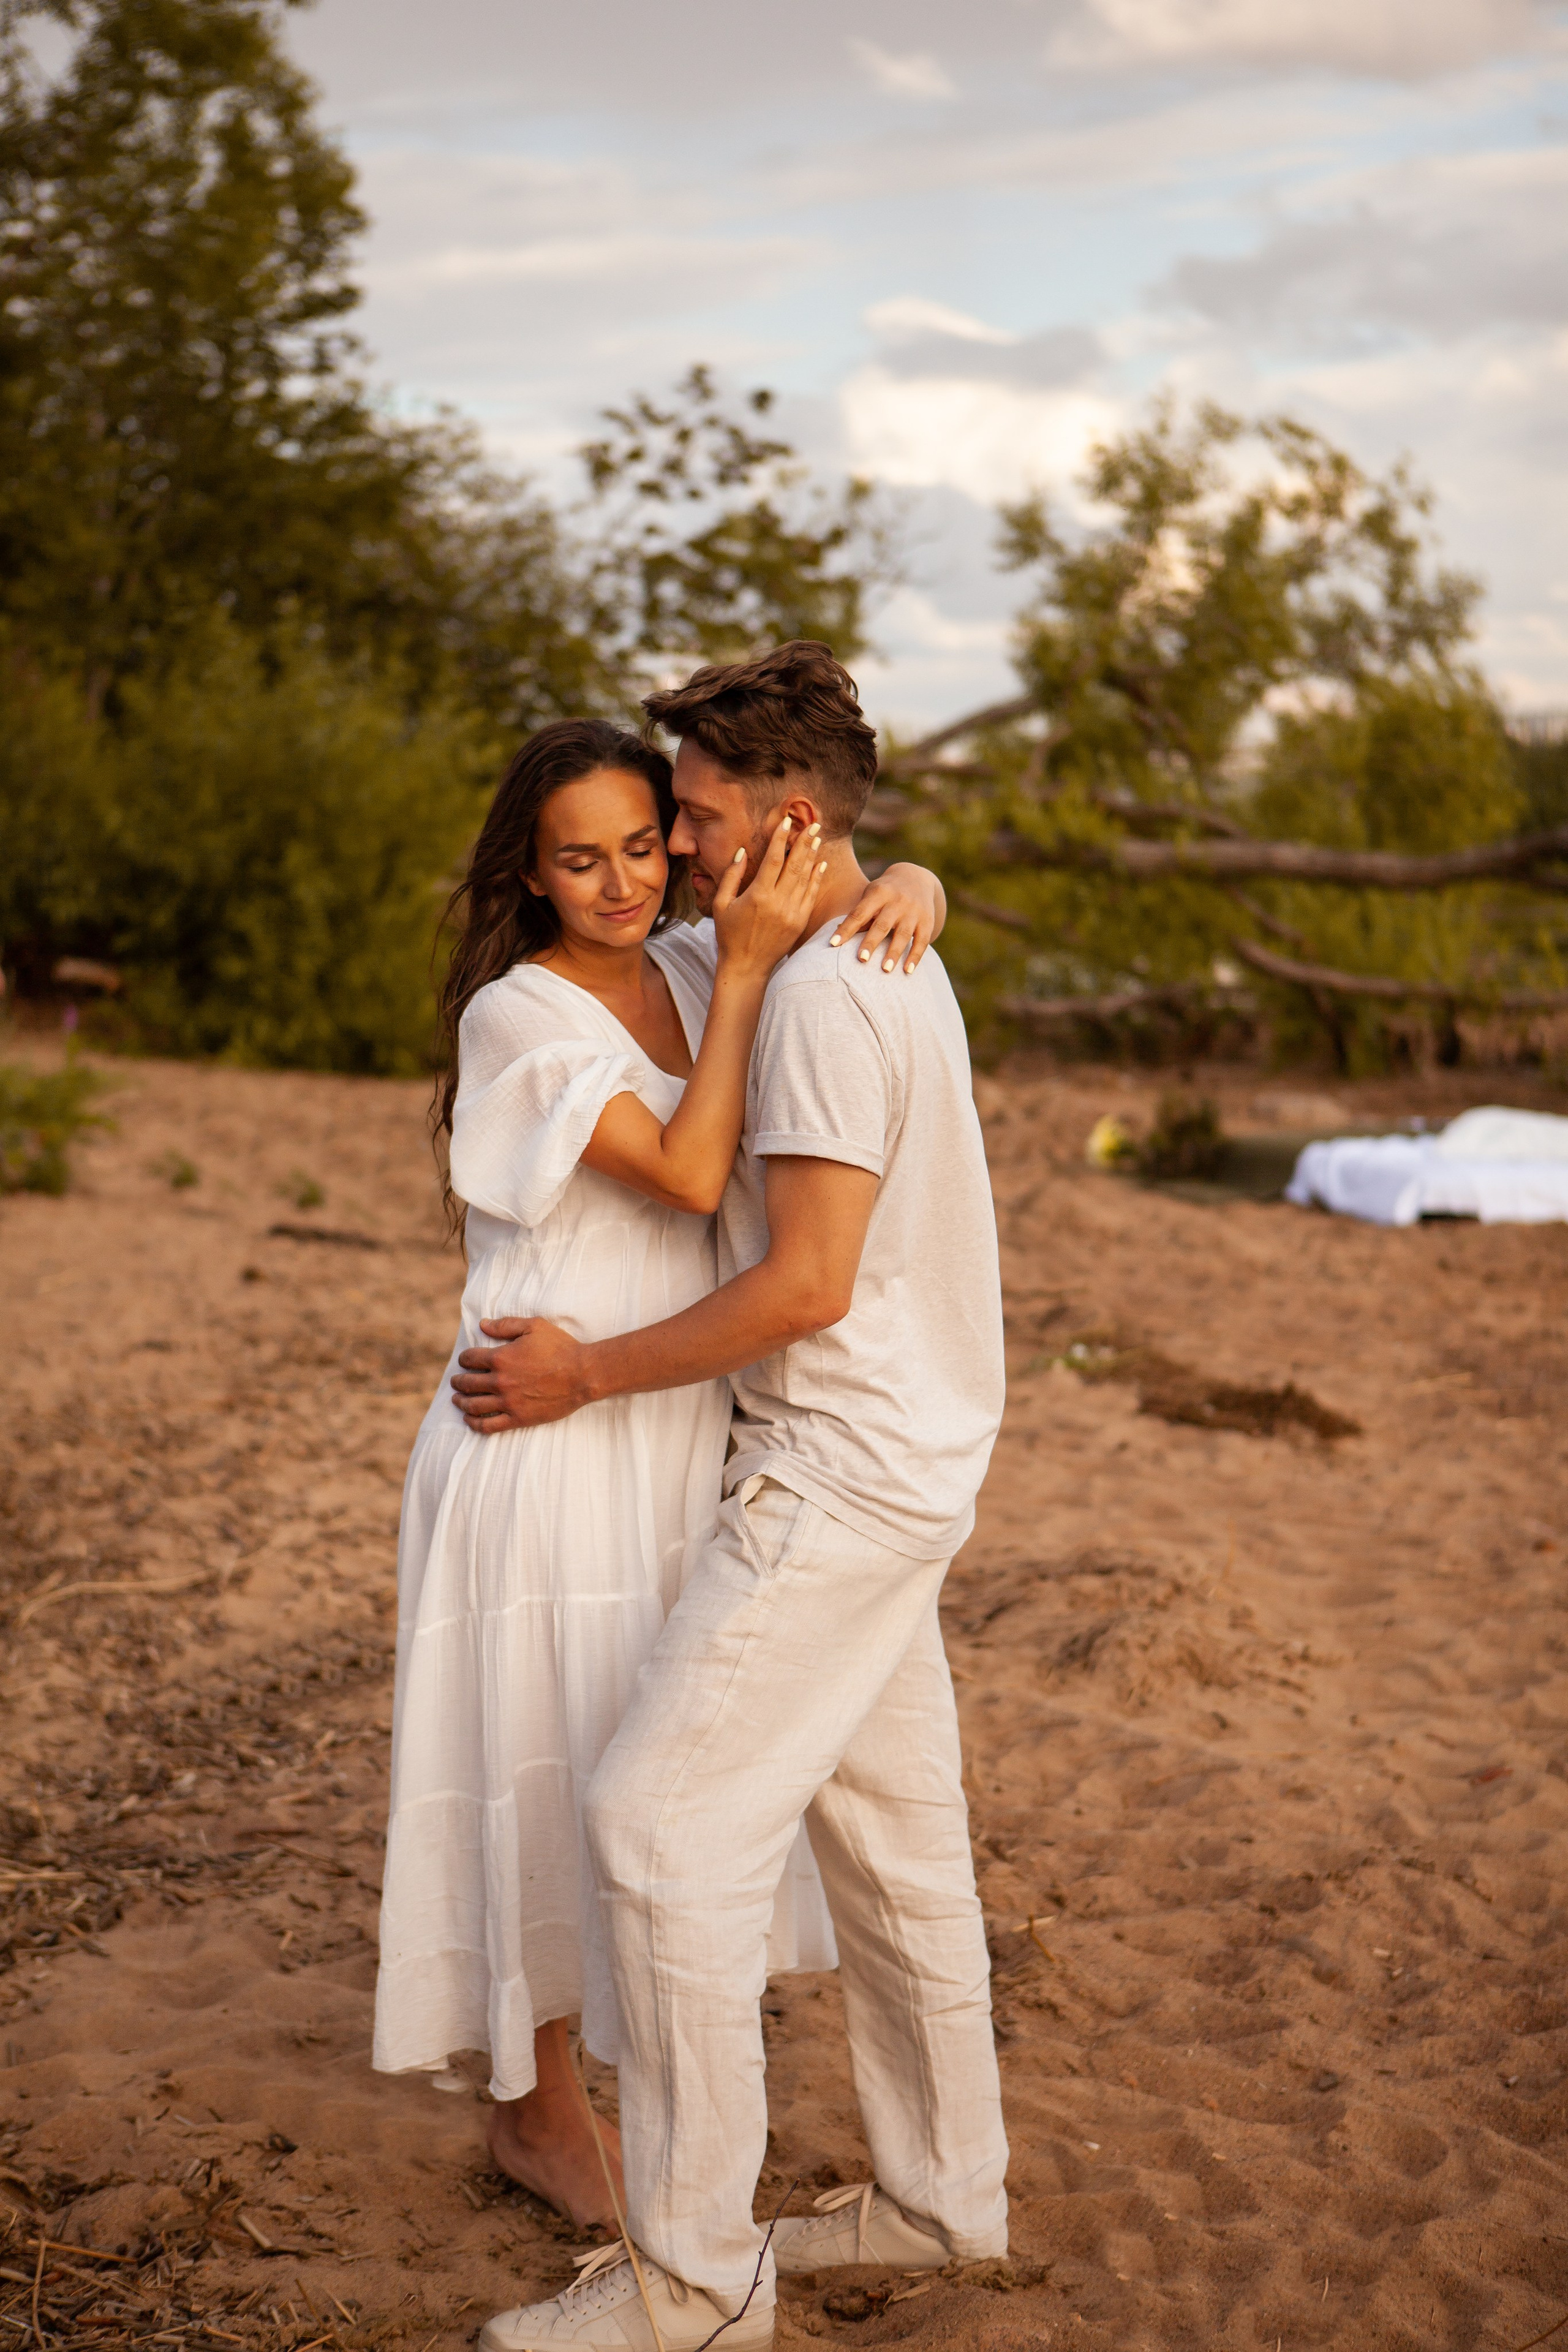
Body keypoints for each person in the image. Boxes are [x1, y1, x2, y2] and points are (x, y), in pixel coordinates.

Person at [452, 643, 1009, 2352]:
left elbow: (806, 1283)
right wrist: (905, 868)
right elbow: (666, 972)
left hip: (834, 1466)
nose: (674, 848)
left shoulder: (838, 994)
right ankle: (938, 2205)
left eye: (691, 819)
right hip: (912, 1458)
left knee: (654, 1830)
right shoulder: (846, 939)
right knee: (895, 1841)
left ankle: (692, 2289)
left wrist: (592, 1373)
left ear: (782, 821)